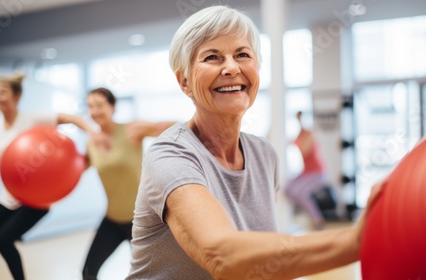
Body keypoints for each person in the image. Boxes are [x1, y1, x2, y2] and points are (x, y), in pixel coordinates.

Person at [127, 5, 383, 280]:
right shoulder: (169, 156)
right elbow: (221, 255)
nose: (231, 67)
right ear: (185, 82)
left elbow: (262, 264)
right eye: (212, 57)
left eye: (242, 55)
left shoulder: (264, 154)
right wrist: (356, 241)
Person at [0, 73, 103, 280]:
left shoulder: (32, 119)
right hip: (9, 197)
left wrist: (93, 133)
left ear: (17, 96)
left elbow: (71, 118)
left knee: (3, 240)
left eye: (2, 92)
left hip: (36, 200)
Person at [82, 87, 175, 280]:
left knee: (152, 275)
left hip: (140, 220)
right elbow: (74, 170)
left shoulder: (131, 129)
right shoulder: (92, 143)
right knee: (88, 272)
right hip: (112, 219)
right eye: (90, 106)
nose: (94, 111)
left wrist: (152, 125)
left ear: (112, 106)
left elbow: (175, 127)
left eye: (99, 105)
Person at [285, 111, 330, 230]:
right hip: (306, 172)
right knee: (288, 187)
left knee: (300, 193)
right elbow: (288, 142)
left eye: (300, 119)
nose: (298, 121)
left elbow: (304, 149)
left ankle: (318, 220)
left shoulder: (309, 134)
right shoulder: (299, 136)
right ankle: (302, 212)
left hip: (318, 173)